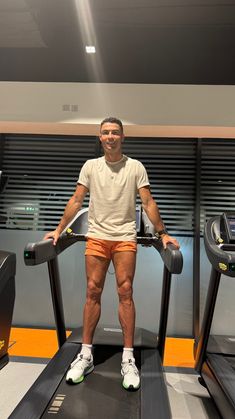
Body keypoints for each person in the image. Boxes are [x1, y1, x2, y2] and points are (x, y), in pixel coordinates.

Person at [44, 116, 180, 390]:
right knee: (92, 291)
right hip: (96, 237)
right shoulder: (90, 166)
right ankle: (85, 354)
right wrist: (58, 230)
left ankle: (128, 358)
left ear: (122, 137)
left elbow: (148, 201)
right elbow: (76, 199)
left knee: (125, 291)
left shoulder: (135, 167)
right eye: (105, 132)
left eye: (115, 132)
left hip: (124, 238)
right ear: (100, 137)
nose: (110, 136)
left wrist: (162, 232)